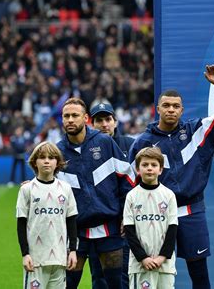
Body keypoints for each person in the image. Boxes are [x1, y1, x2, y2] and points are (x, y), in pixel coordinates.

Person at [129, 64, 214, 288]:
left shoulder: (197, 131)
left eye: (176, 106)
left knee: (199, 272)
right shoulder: (142, 143)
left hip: (191, 211)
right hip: (154, 214)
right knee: (155, 274)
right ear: (157, 108)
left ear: (182, 110)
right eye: (166, 105)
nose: (171, 109)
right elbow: (131, 183)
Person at [56, 97, 135, 289]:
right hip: (75, 230)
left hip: (109, 226)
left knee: (117, 284)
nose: (70, 120)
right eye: (66, 116)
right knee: (67, 284)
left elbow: (127, 179)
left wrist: (126, 213)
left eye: (75, 115)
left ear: (85, 119)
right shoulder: (57, 151)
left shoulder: (105, 142)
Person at [16, 141, 78, 289]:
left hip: (59, 258)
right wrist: (25, 254)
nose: (46, 161)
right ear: (34, 162)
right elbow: (21, 224)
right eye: (42, 157)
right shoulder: (27, 190)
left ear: (57, 162)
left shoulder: (65, 189)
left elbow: (71, 221)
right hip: (36, 259)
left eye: (51, 157)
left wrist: (73, 251)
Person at [90, 102, 135, 288]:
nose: (104, 124)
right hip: (96, 222)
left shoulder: (131, 145)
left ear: (115, 122)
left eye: (108, 119)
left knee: (121, 276)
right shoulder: (86, 149)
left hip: (123, 223)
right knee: (98, 276)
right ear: (91, 124)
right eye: (99, 120)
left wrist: (128, 214)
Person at [124, 147, 178, 288]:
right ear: (137, 169)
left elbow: (172, 229)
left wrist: (162, 257)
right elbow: (129, 231)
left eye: (154, 165)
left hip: (165, 266)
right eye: (145, 165)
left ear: (160, 170)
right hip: (140, 265)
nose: (149, 168)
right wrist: (143, 258)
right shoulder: (132, 196)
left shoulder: (169, 195)